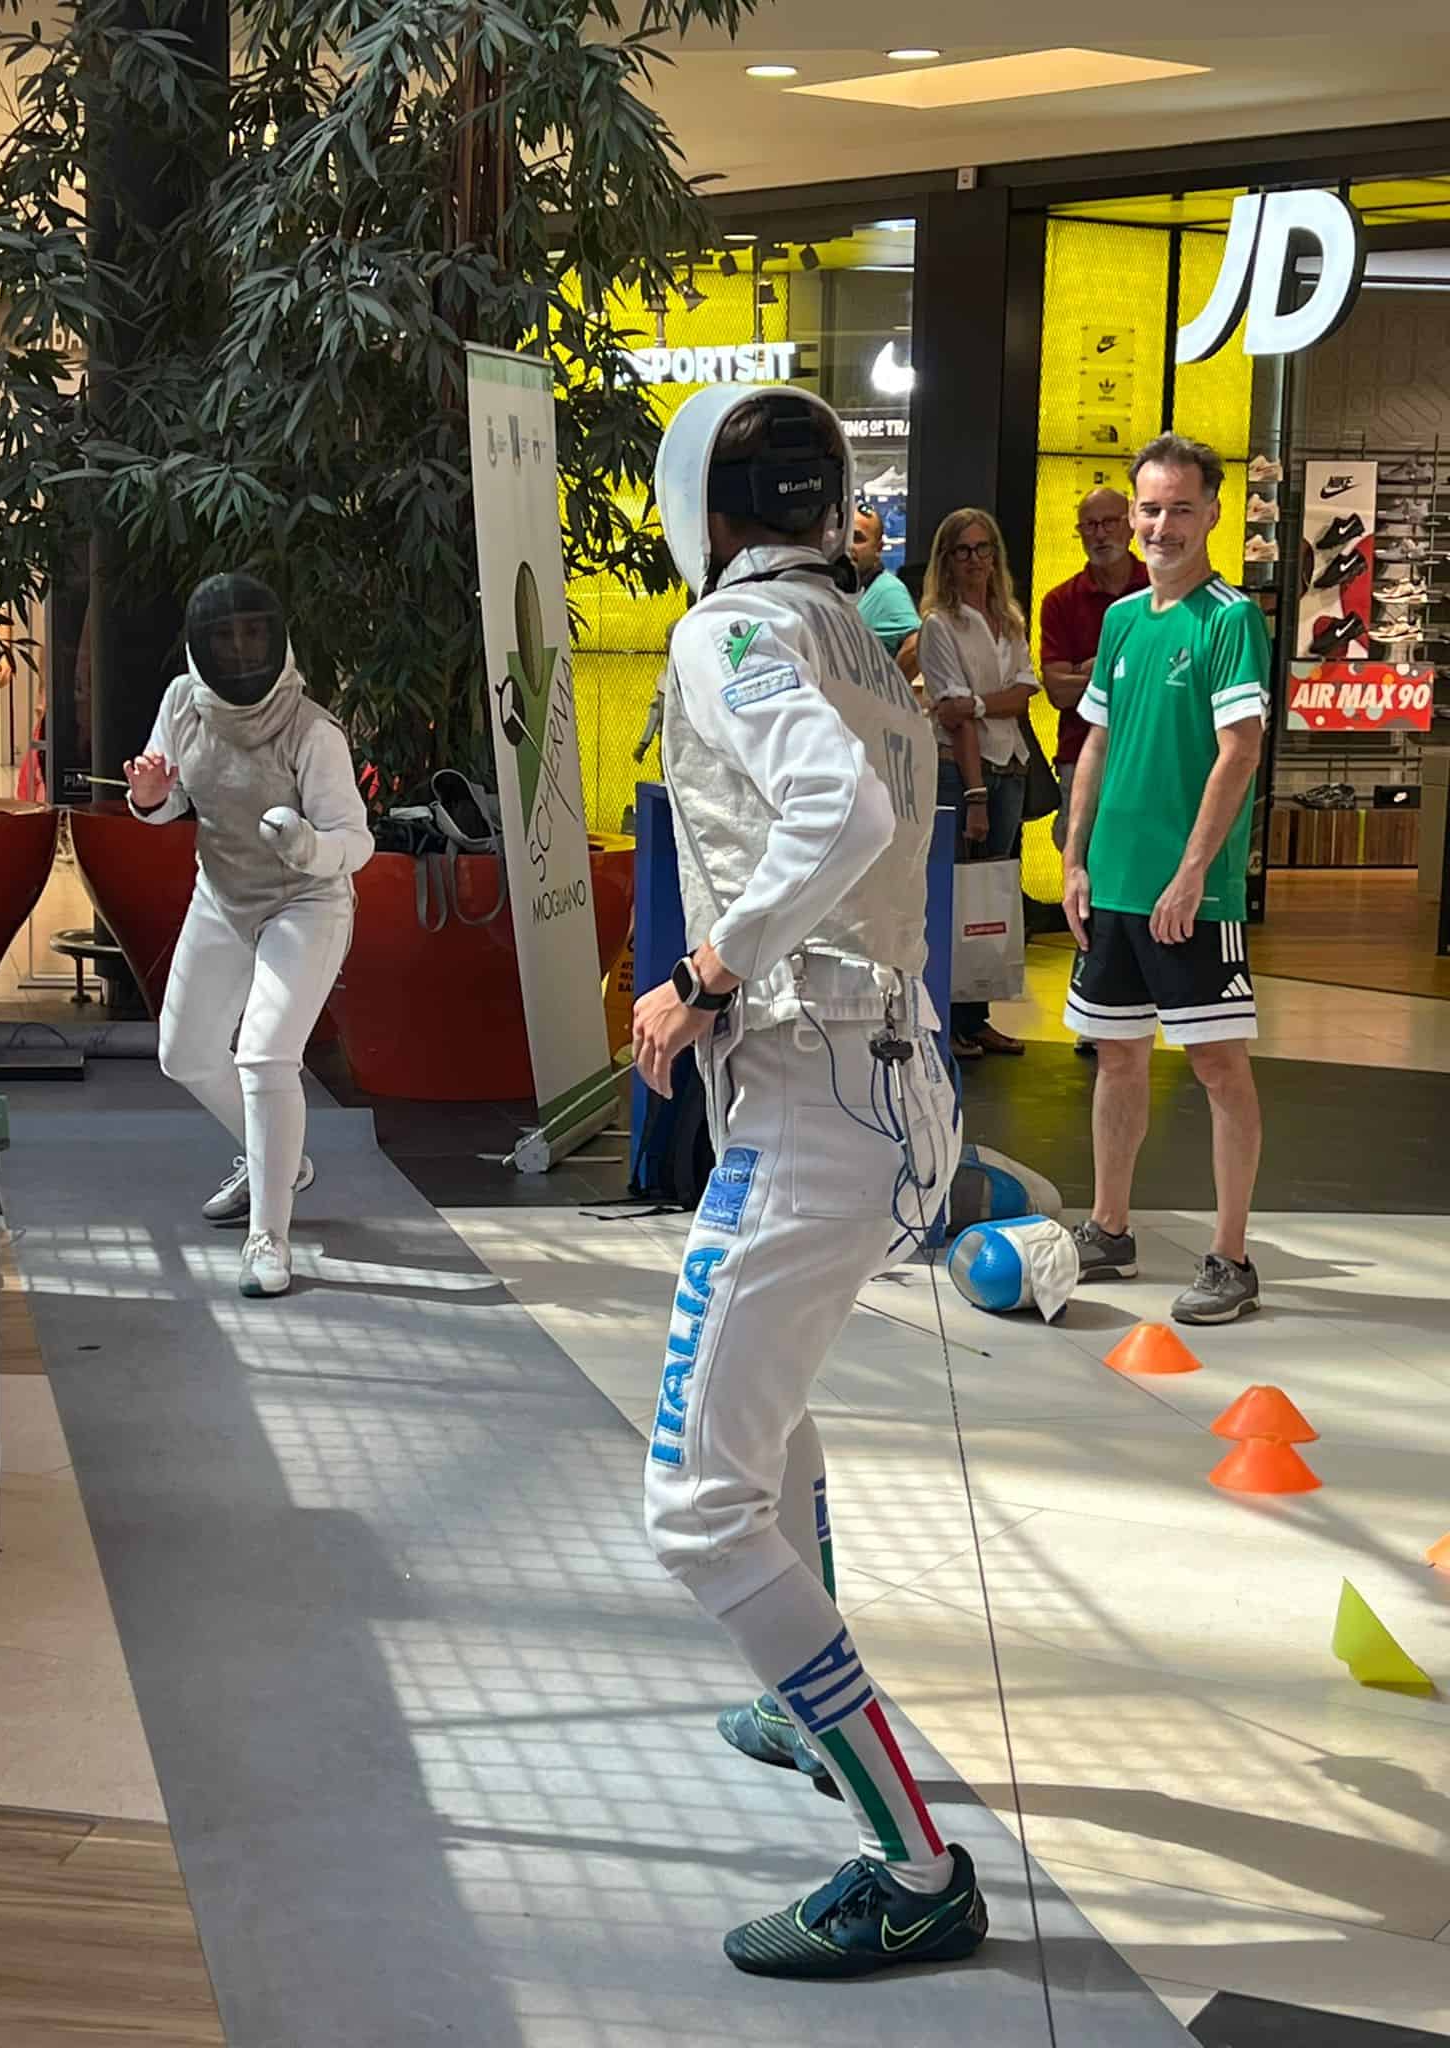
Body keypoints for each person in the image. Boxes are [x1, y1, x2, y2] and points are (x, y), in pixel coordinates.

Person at [632, 384, 987, 1980]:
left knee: (697, 1508)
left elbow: (837, 813)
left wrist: (703, 970)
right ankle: (802, 1709)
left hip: (814, 1094)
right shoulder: (859, 635)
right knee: (767, 1413)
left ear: (705, 507)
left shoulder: (733, 632)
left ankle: (916, 1869)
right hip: (893, 1084)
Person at [1061, 433, 1269, 1326]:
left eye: (1181, 508)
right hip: (1112, 885)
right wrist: (1075, 858)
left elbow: (1240, 752)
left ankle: (1231, 1258)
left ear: (1213, 513)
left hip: (1192, 896)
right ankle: (1110, 1230)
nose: (1161, 525)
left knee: (1218, 1066)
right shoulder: (1120, 621)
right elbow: (1097, 743)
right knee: (1117, 1053)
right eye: (1150, 508)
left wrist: (1191, 874)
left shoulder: (1230, 620)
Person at [124, 573, 372, 1300]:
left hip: (307, 902)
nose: (239, 649)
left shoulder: (311, 731)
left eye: (253, 632)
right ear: (200, 646)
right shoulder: (182, 702)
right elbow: (170, 795)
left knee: (265, 1054)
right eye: (225, 636)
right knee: (184, 1053)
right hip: (223, 895)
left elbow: (356, 841)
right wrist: (148, 797)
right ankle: (278, 1161)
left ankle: (270, 1236)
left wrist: (307, 845)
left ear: (276, 636)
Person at [917, 508, 1038, 1060]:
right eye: (963, 549)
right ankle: (947, 1020)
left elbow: (1024, 695)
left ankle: (976, 1016)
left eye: (982, 547)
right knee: (955, 897)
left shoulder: (1009, 619)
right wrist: (974, 794)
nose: (974, 559)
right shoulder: (940, 625)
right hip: (964, 772)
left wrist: (981, 703)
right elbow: (952, 715)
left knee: (988, 896)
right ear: (946, 559)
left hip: (1010, 764)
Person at [1039, 487, 1148, 855]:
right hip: (1080, 752)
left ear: (1131, 524)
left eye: (1109, 522)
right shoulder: (1060, 601)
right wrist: (1125, 669)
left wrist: (1086, 669)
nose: (1100, 534)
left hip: (1148, 752)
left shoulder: (1161, 590)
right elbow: (1058, 693)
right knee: (1080, 860)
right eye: (1089, 525)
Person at [850, 503, 920, 678]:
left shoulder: (888, 590)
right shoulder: (846, 588)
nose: (849, 546)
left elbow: (917, 645)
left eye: (858, 538)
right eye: (846, 537)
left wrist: (891, 688)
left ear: (878, 548)